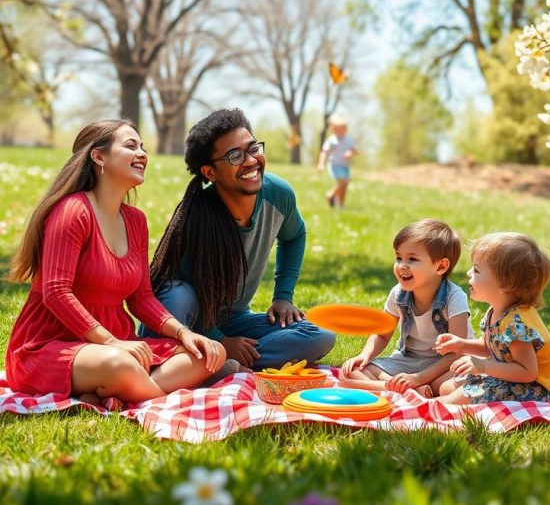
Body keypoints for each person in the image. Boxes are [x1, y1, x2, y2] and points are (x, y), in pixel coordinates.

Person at [5, 120, 227, 405]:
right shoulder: (72, 211)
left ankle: (114, 392)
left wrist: (184, 333)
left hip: (116, 342)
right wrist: (111, 343)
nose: (142, 153)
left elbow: (142, 298)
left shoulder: (136, 221)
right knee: (119, 365)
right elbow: (56, 292)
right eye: (130, 145)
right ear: (98, 156)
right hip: (49, 346)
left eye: (143, 147)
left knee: (209, 355)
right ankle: (147, 397)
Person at [143, 108, 336, 370]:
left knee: (320, 336)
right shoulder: (197, 218)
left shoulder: (278, 195)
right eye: (235, 155)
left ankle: (211, 365)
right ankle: (186, 359)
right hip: (181, 320)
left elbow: (295, 235)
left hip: (234, 320)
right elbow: (187, 292)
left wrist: (283, 296)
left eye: (253, 148)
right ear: (210, 172)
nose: (250, 161)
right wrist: (220, 340)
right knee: (179, 295)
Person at [434, 232, 550, 404]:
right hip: (509, 378)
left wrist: (483, 366)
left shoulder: (516, 325)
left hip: (536, 388)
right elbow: (493, 348)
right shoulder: (496, 311)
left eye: (477, 270)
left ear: (505, 285)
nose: (469, 273)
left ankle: (434, 408)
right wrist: (461, 344)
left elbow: (527, 372)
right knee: (445, 388)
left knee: (452, 399)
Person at [340, 219, 473, 396]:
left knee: (454, 383)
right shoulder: (398, 294)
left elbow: (456, 352)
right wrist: (365, 355)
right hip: (408, 360)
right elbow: (381, 334)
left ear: (440, 266)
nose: (402, 265)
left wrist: (419, 377)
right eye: (398, 257)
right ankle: (401, 389)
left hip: (444, 363)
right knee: (351, 371)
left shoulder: (454, 298)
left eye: (412, 259)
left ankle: (403, 388)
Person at [317, 114, 358, 209]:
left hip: (345, 166)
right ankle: (330, 194)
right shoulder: (332, 140)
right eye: (339, 128)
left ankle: (341, 205)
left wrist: (350, 153)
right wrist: (320, 164)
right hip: (334, 165)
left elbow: (355, 151)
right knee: (344, 182)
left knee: (344, 187)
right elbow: (324, 152)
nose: (342, 130)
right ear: (333, 129)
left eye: (344, 128)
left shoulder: (349, 139)